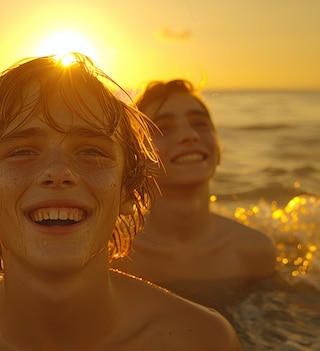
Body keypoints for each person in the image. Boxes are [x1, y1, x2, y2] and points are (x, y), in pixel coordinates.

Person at [0, 54, 242, 350]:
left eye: (91, 151)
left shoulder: (201, 340)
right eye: (23, 152)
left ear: (127, 190)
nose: (58, 173)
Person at [112, 79, 276, 298]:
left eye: (199, 123)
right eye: (164, 128)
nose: (190, 135)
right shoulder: (113, 256)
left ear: (217, 148)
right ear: (136, 158)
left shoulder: (254, 251)